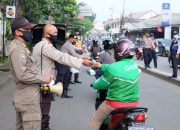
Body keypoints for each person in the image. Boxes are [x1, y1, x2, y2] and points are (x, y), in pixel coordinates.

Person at [32, 24, 93, 130]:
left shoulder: (41, 45)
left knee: (45, 108)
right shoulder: (45, 46)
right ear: (46, 34)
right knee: (43, 110)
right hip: (43, 83)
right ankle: (43, 127)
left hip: (43, 81)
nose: (56, 35)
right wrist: (81, 61)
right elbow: (61, 57)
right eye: (54, 33)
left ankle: (44, 125)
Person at [9, 17, 52, 130]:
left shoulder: (20, 47)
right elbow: (22, 75)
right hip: (28, 101)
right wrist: (42, 78)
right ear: (18, 32)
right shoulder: (19, 50)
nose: (30, 32)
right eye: (27, 30)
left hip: (25, 98)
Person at [88, 39, 140, 130]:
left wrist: (93, 84)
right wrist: (101, 66)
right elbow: (117, 68)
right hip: (133, 103)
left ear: (120, 52)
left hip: (115, 103)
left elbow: (101, 84)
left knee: (96, 120)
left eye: (115, 51)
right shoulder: (134, 65)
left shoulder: (114, 67)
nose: (114, 52)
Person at [55, 34, 86, 98]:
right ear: (71, 39)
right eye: (74, 39)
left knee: (66, 78)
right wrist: (84, 57)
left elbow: (76, 48)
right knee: (60, 78)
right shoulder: (67, 45)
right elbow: (74, 54)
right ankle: (55, 92)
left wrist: (81, 49)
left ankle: (64, 91)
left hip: (66, 63)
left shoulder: (70, 45)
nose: (75, 41)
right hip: (63, 64)